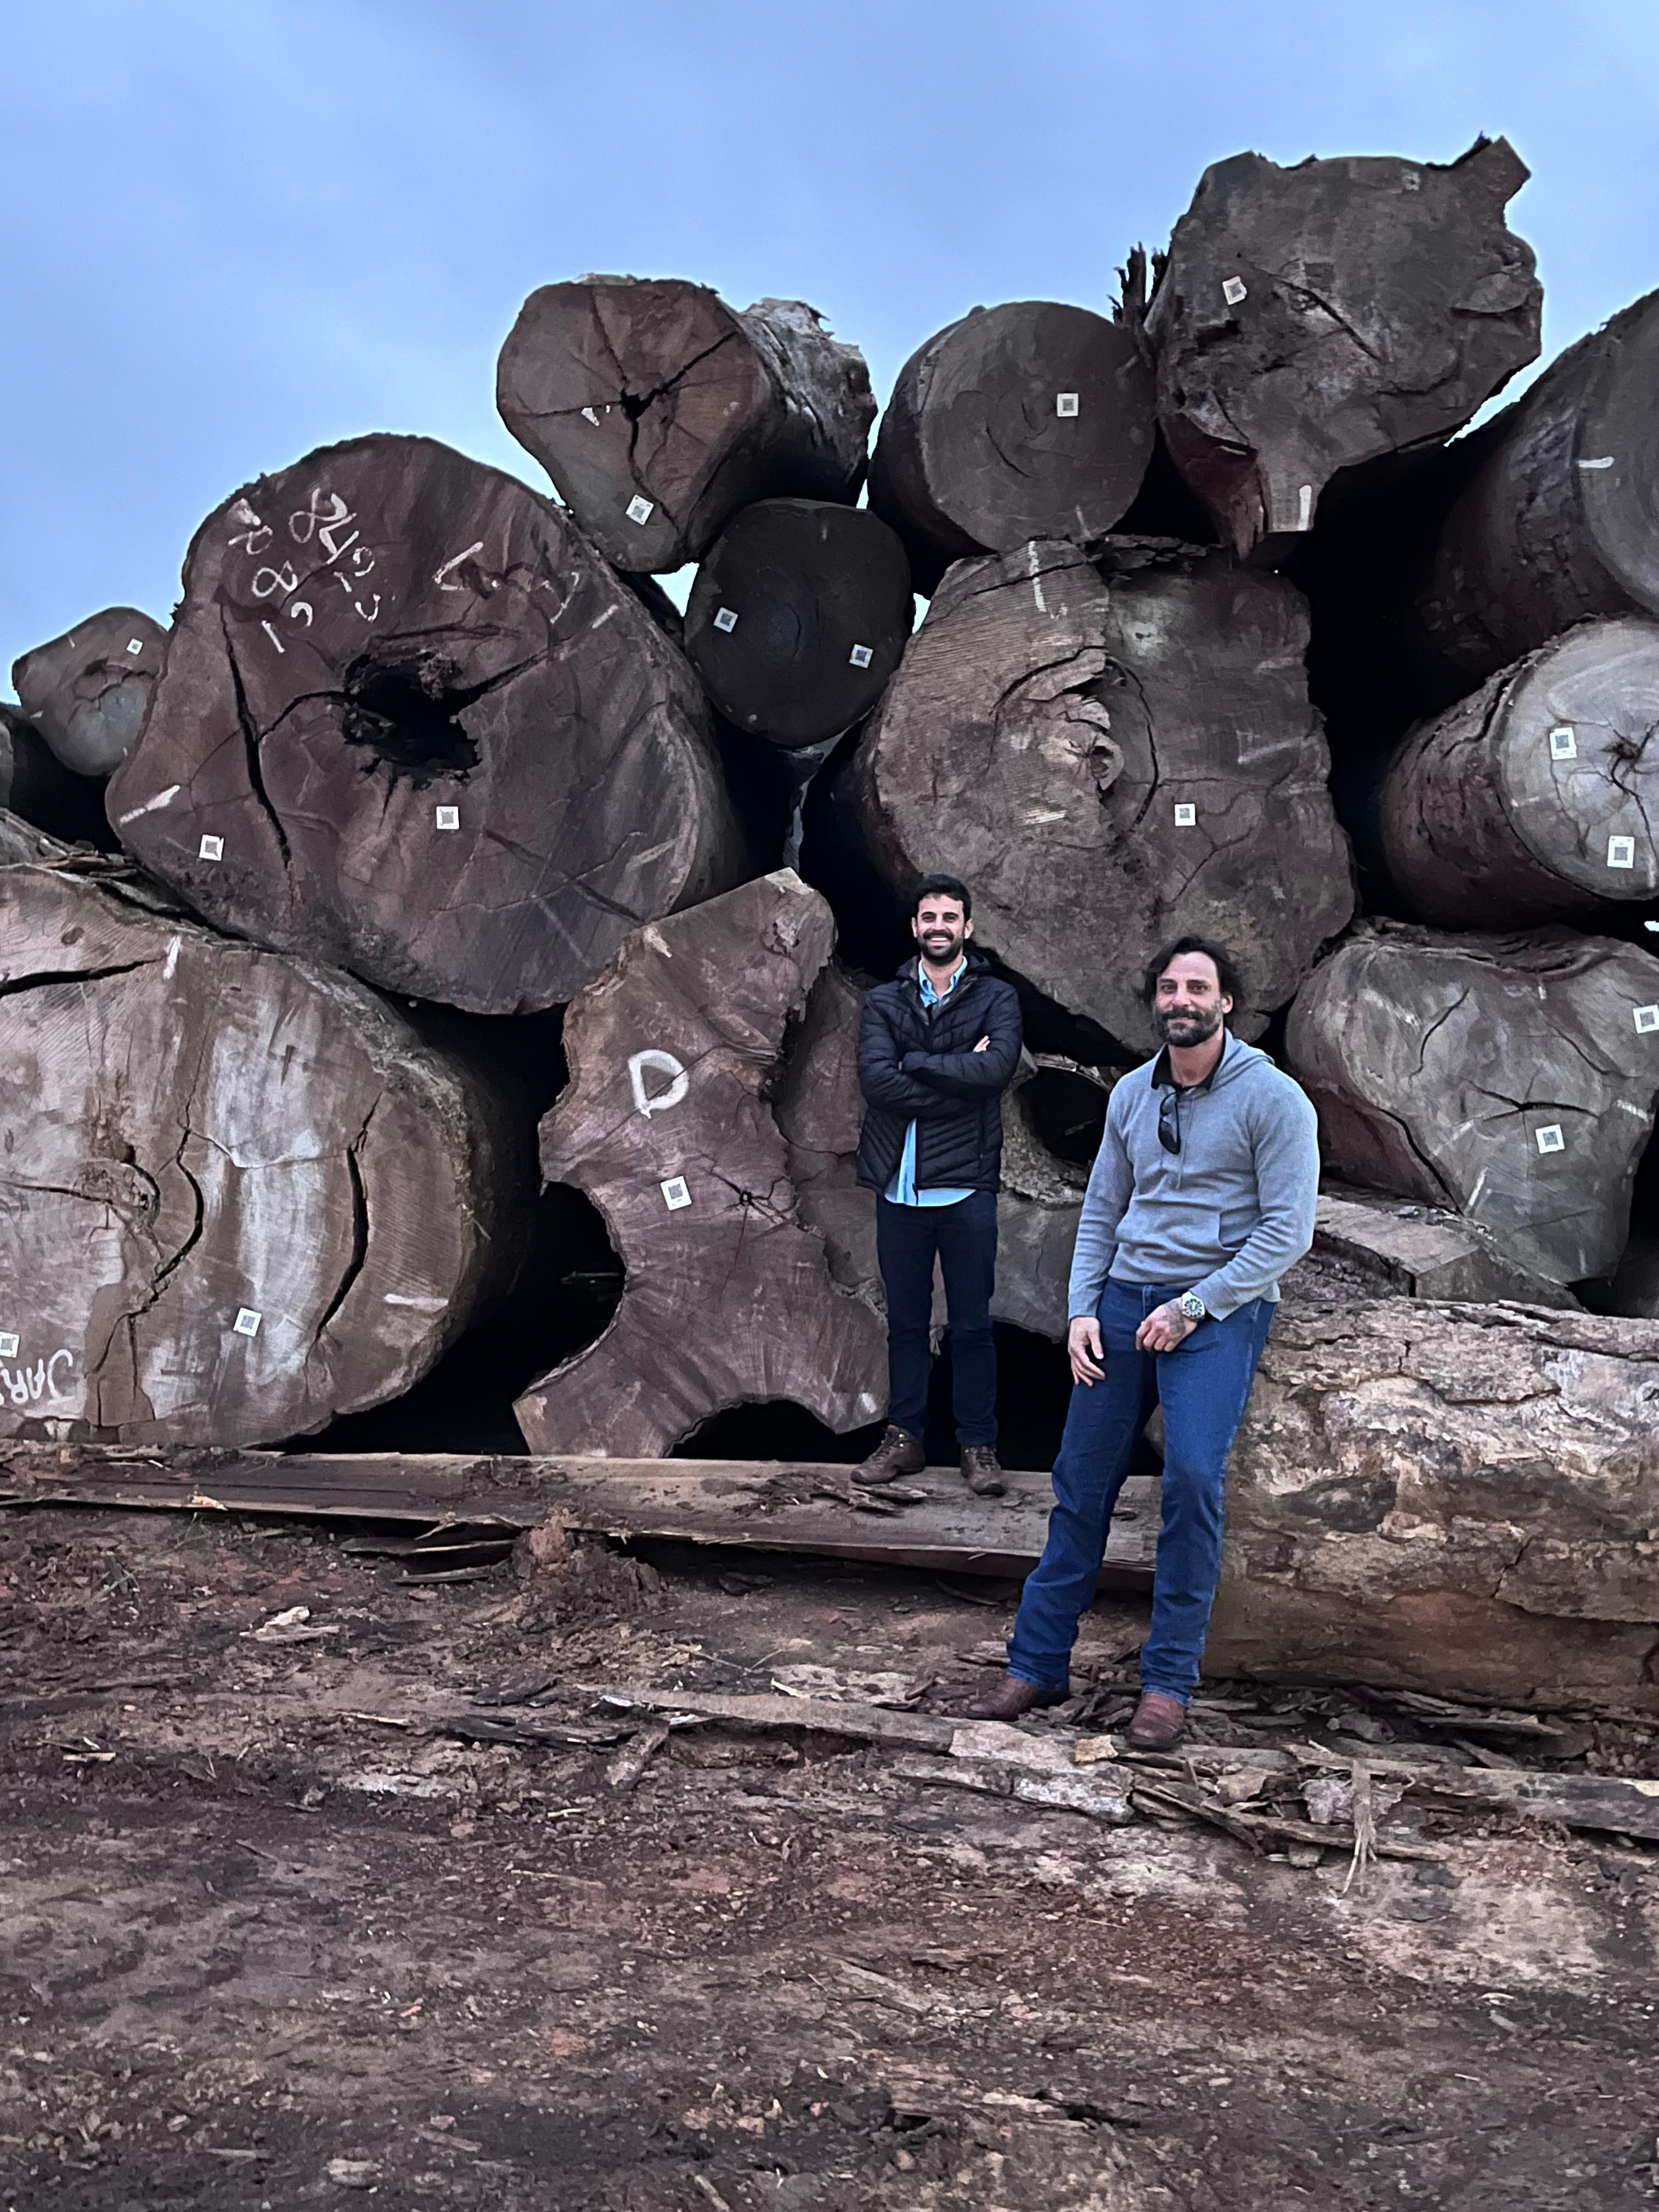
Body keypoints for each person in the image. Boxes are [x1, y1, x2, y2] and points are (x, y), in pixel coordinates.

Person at [970, 936, 1320, 1748]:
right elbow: (1100, 1210)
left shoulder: (1275, 1102)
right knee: (1080, 1484)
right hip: (1123, 1304)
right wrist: (1083, 1309)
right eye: (1167, 987)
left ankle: (1166, 1685)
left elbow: (1287, 1231)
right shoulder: (1131, 1093)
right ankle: (1037, 1663)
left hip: (1217, 1313)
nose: (1180, 1000)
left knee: (1192, 1481)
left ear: (1227, 1002)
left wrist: (1197, 1306)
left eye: (1197, 986)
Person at [853, 875, 1023, 1495]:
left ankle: (977, 1446)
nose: (939, 926)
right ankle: (905, 1438)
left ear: (968, 928)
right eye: (929, 917)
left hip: (965, 1189)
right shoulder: (884, 1002)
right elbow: (876, 1083)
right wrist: (959, 1077)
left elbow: (996, 1070)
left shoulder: (996, 999)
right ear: (915, 928)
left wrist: (917, 1064)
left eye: (950, 917)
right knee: (905, 1322)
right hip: (897, 1189)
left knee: (974, 1323)